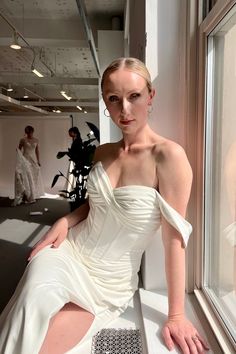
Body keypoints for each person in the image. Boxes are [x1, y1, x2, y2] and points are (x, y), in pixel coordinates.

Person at [0, 58, 209, 353]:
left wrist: (176, 315)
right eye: (114, 99)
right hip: (69, 252)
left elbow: (174, 239)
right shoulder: (102, 152)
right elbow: (93, 206)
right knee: (31, 302)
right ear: (106, 103)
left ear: (151, 95)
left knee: (39, 343)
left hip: (108, 281)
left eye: (134, 96)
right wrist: (65, 221)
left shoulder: (169, 156)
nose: (124, 110)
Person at [12, 125, 44, 206]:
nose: (29, 134)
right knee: (26, 177)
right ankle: (27, 195)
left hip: (33, 160)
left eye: (30, 132)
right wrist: (18, 152)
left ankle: (33, 194)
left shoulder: (36, 140)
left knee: (33, 176)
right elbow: (19, 150)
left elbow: (37, 151)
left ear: (32, 132)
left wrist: (38, 161)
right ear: (26, 132)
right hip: (25, 160)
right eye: (28, 132)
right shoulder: (23, 140)